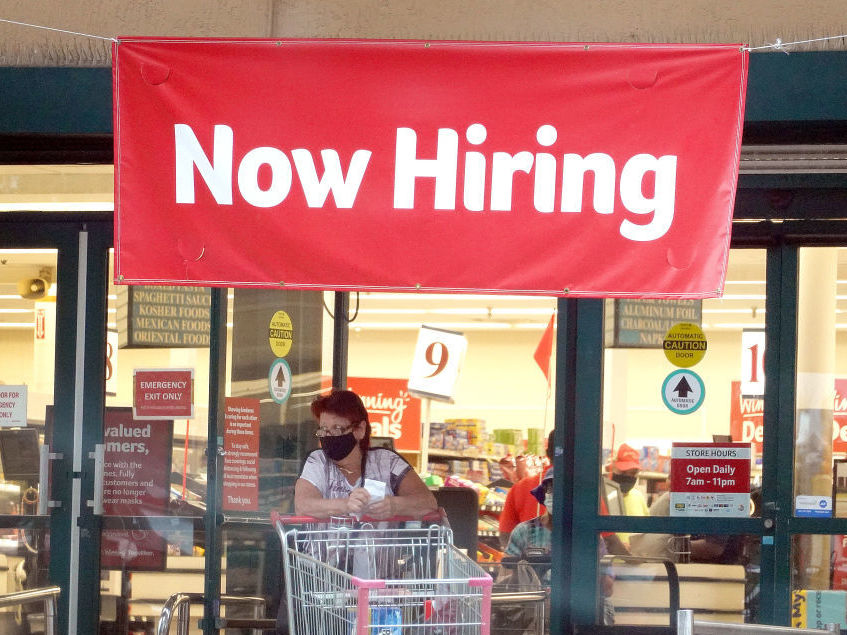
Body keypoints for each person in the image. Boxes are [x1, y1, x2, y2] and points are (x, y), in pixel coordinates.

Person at [294, 388, 437, 519]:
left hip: (381, 548)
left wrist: (394, 505)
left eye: (337, 428)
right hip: (325, 547)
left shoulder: (387, 462)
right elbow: (303, 506)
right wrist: (346, 505)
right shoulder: (318, 461)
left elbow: (428, 502)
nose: (328, 436)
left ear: (360, 430)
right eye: (324, 429)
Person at [505, 471, 615, 623]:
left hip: (580, 609)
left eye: (566, 492)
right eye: (551, 490)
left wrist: (591, 566)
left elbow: (607, 590)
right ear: (544, 495)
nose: (558, 496)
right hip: (535, 608)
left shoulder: (589, 536)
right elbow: (513, 580)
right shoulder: (524, 532)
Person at [499, 430, 553, 548]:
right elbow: (603, 536)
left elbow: (506, 535)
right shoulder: (589, 491)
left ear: (548, 453)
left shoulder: (521, 487)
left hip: (530, 563)